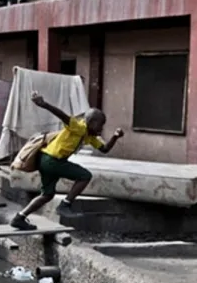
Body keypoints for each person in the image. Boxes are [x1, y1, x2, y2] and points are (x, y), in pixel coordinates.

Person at [10, 91, 124, 231]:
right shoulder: (79, 126)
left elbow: (105, 149)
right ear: (92, 122)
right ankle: (65, 204)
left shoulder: (89, 135)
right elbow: (63, 116)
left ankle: (19, 218)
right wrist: (44, 104)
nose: (101, 129)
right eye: (100, 125)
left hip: (46, 160)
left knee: (47, 195)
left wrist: (115, 137)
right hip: (52, 161)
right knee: (84, 176)